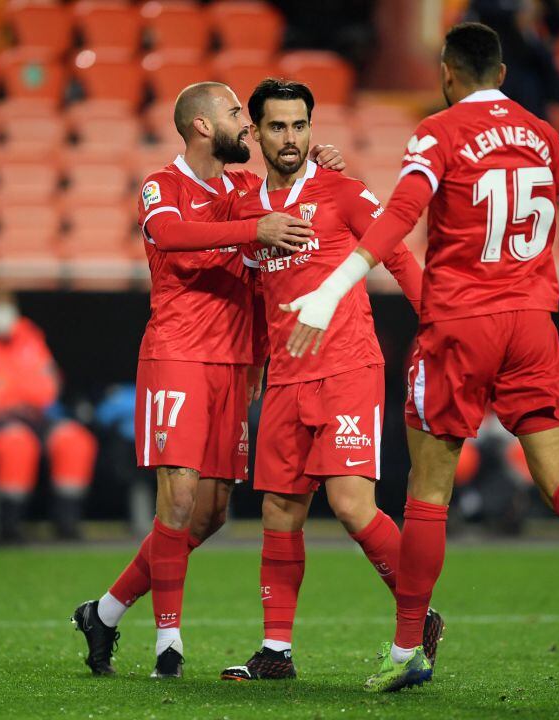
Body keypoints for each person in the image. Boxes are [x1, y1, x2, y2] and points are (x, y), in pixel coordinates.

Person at [282, 23, 559, 692]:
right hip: (533, 326)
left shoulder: (438, 132)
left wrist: (330, 289)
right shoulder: (542, 134)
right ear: (504, 73)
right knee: (558, 478)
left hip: (460, 325)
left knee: (428, 493)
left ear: (447, 73)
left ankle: (406, 652)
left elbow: (398, 216)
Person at [71, 81, 347, 680]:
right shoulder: (161, 186)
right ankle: (167, 644)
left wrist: (322, 168)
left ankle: (106, 611)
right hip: (177, 355)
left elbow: (292, 196)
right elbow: (168, 236)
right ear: (201, 126)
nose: (247, 127)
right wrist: (252, 231)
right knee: (177, 494)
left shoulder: (247, 188)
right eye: (233, 116)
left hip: (232, 365)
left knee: (211, 513)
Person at [213, 79, 442, 682]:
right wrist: (259, 362)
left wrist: (441, 327)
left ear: (313, 130)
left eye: (300, 126)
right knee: (280, 511)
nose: (290, 138)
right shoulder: (244, 204)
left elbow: (397, 255)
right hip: (286, 377)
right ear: (256, 133)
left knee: (348, 503)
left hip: (347, 368)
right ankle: (276, 651)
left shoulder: (341, 190)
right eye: (277, 127)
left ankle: (419, 617)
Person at [0, 288, 98, 542]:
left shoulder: (28, 336)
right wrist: (18, 389)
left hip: (34, 415)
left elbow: (49, 387)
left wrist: (8, 388)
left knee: (75, 440)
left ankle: (67, 523)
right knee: (17, 443)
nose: (3, 314)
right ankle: (9, 526)